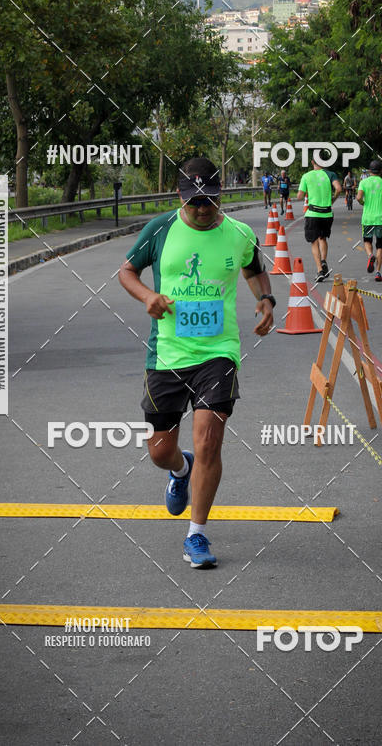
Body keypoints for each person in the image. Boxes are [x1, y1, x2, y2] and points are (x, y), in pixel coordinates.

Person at [118, 157, 274, 569]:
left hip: (217, 353)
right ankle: (180, 469)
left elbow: (255, 268)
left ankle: (197, 534)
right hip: (167, 354)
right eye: (194, 202)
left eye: (208, 200)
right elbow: (127, 272)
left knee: (209, 438)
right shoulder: (160, 230)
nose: (202, 208)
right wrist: (147, 297)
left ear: (219, 195)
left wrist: (265, 298)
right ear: (179, 197)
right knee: (159, 450)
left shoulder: (238, 233)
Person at [297, 155, 341, 282]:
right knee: (323, 238)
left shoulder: (307, 176)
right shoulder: (330, 174)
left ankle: (319, 270)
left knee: (314, 241)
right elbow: (338, 188)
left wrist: (304, 192)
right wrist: (333, 199)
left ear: (312, 162)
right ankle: (323, 261)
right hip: (327, 214)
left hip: (313, 214)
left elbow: (300, 196)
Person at [357, 159, 382, 282]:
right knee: (380, 244)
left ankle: (370, 255)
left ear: (369, 171)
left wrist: (363, 203)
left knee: (367, 240)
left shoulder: (363, 182)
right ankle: (378, 272)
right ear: (381, 170)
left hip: (367, 218)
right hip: (381, 219)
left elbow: (359, 198)